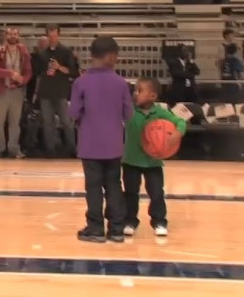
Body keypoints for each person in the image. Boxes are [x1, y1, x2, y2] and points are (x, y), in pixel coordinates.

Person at [69, 36, 131, 243]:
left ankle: (95, 229)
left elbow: (74, 112)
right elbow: (128, 114)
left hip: (89, 145)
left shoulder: (81, 82)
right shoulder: (121, 83)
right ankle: (116, 229)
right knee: (114, 185)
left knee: (93, 187)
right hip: (114, 145)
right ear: (112, 56)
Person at [123, 77, 185, 238]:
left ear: (152, 96)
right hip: (131, 160)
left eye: (140, 90)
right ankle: (130, 221)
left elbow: (181, 122)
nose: (136, 93)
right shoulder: (128, 109)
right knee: (130, 193)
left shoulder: (161, 113)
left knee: (157, 193)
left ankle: (159, 222)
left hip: (153, 161)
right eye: (135, 90)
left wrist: (176, 134)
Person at [34, 24, 78, 158]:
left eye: (54, 36)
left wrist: (59, 67)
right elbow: (38, 73)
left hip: (60, 92)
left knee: (66, 122)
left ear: (58, 35)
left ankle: (72, 149)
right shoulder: (42, 54)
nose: (52, 38)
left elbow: (73, 72)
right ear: (47, 36)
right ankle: (50, 150)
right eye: (50, 36)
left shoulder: (66, 51)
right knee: (48, 123)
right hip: (46, 92)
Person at [0, 27, 32, 159]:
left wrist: (23, 80)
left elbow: (28, 71)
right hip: (2, 90)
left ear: (18, 36)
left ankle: (14, 149)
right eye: (10, 34)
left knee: (15, 123)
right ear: (6, 36)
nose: (13, 36)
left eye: (15, 34)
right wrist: (10, 73)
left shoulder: (23, 52)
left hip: (17, 91)